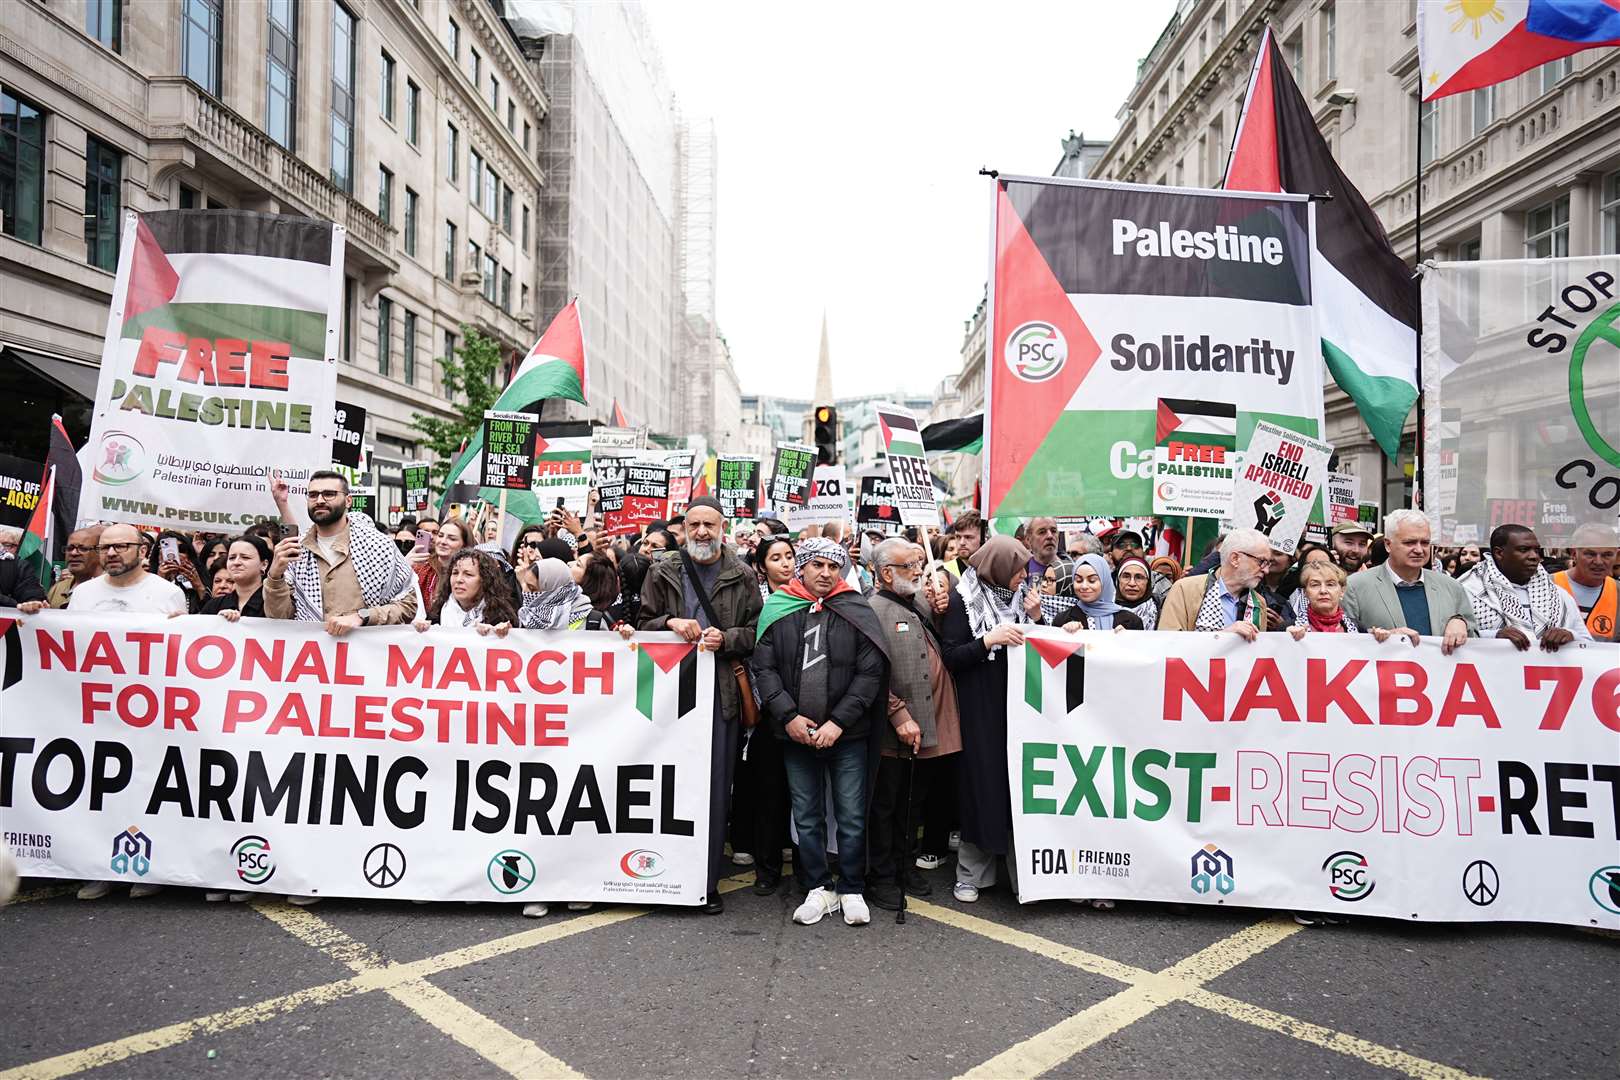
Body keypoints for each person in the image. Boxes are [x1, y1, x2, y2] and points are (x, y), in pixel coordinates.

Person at [19, 523, 183, 899]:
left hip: (149, 712)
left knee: (145, 786)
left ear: (141, 550)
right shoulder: (85, 595)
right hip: (97, 713)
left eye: (121, 546)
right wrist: (33, 616)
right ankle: (100, 869)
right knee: (102, 789)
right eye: (105, 548)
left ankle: (149, 869)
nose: (111, 554)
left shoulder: (167, 593)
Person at [751, 537, 888, 927]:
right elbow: (765, 669)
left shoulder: (855, 608)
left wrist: (837, 723)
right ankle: (817, 887)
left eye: (833, 566)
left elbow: (869, 673)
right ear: (802, 568)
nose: (826, 573)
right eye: (817, 566)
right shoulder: (778, 609)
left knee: (851, 814)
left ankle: (851, 888)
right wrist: (789, 717)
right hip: (794, 733)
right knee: (806, 814)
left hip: (847, 734)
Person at [638, 496, 763, 913]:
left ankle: (703, 883)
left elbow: (753, 634)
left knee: (711, 791)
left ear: (722, 527)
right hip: (666, 692)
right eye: (694, 525)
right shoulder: (663, 569)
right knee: (665, 787)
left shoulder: (742, 574)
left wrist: (725, 639)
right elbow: (642, 623)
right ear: (684, 529)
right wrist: (671, 624)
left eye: (710, 525)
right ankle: (660, 875)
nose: (702, 533)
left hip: (720, 696)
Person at [941, 536, 1046, 902]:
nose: (1023, 576)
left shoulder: (1024, 598)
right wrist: (989, 640)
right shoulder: (962, 600)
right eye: (1017, 569)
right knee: (981, 787)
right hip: (979, 710)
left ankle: (1026, 877)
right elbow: (950, 656)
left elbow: (1045, 647)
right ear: (997, 568)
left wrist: (1037, 619)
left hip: (1020, 709)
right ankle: (972, 875)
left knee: (1018, 790)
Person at [866, 539, 960, 911]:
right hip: (894, 729)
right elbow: (872, 672)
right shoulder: (871, 609)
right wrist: (898, 713)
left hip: (928, 723)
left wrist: (939, 609)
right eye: (910, 566)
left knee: (913, 801)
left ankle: (905, 866)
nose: (919, 572)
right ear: (887, 573)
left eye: (919, 563)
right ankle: (882, 876)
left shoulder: (918, 601)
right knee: (886, 804)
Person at [265, 470, 418, 632]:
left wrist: (364, 616)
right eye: (313, 495)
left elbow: (407, 605)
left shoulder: (379, 545)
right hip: (312, 654)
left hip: (365, 654)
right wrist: (275, 576)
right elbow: (279, 618)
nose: (319, 500)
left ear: (348, 501)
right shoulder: (296, 550)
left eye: (329, 494)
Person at [1343, 509, 1475, 654]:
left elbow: (1477, 640)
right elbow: (1340, 642)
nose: (1419, 550)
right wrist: (1379, 639)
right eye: (1409, 542)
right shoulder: (1354, 586)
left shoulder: (1452, 587)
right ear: (1388, 545)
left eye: (1425, 543)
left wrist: (1461, 623)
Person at [1458, 524, 1588, 652]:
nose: (1534, 556)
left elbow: (1590, 644)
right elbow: (1446, 638)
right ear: (1499, 553)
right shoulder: (1466, 590)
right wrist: (1493, 636)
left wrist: (1570, 635)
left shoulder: (1558, 595)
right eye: (1523, 549)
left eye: (1536, 550)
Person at [1158, 528, 1274, 638]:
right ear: (1235, 559)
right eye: (1261, 562)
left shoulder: (1259, 603)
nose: (1266, 570)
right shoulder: (1185, 589)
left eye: (1268, 564)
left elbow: (1258, 651)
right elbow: (1170, 644)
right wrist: (1223, 636)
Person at [1553, 523, 1618, 641]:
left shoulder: (1617, 592)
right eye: (1590, 554)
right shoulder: (1545, 586)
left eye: (1607, 555)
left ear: (1616, 555)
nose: (1598, 561)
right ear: (1574, 554)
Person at [1056, 553, 1143, 632]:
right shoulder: (1063, 619)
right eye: (1079, 580)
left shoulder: (1131, 621)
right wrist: (1066, 635)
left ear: (1104, 581)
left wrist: (1128, 639)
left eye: (1092, 581)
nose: (1084, 586)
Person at [201, 534, 271, 619]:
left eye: (245, 557)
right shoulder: (213, 605)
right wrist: (218, 622)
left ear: (264, 564)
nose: (236, 562)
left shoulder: (275, 604)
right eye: (232, 558)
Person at [1285, 560, 1361, 639]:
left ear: (1342, 591)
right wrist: (1287, 639)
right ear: (1305, 592)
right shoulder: (1288, 628)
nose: (1323, 591)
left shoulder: (1359, 628)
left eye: (1330, 584)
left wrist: (1374, 639)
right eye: (1315, 585)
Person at [413, 518, 474, 607]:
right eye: (440, 535)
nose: (443, 542)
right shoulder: (420, 569)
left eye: (451, 539)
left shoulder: (472, 573)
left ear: (464, 545)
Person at [45, 525, 103, 608]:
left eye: (83, 548)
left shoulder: (110, 589)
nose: (73, 553)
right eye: (69, 548)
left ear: (100, 552)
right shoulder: (58, 588)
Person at [0, 527, 46, 607]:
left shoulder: (22, 567)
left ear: (21, 547)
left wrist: (32, 604)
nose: (1, 548)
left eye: (6, 545)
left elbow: (32, 597)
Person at [1114, 554, 1160, 629]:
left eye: (1139, 577)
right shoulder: (1104, 610)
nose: (1132, 583)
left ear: (1148, 582)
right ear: (1118, 580)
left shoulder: (1160, 610)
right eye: (1126, 576)